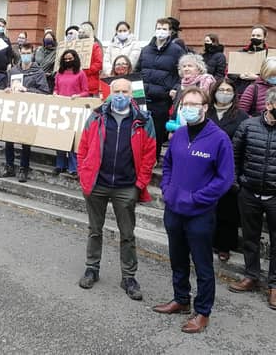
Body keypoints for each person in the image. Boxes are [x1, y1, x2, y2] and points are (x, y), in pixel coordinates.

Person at [153, 87, 234, 334]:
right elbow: (167, 165)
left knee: (202, 266)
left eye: (194, 104)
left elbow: (225, 179)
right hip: (174, 210)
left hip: (200, 213)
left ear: (205, 107)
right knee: (177, 259)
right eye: (185, 103)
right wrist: (167, 189)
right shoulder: (178, 135)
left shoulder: (219, 138)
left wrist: (197, 198)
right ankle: (181, 300)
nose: (188, 107)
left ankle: (203, 312)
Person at [77, 77, 157, 300]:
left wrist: (140, 183)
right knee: (95, 229)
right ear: (109, 93)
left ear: (132, 94)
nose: (121, 95)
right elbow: (82, 146)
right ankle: (92, 268)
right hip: (97, 184)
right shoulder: (96, 115)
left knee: (128, 234)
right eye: (117, 91)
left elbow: (150, 153)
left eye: (125, 91)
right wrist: (85, 174)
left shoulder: (143, 119)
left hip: (126, 186)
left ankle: (129, 276)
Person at [229, 87, 276, 310]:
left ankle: (274, 285)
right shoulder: (248, 126)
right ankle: (251, 275)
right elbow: (234, 156)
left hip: (274, 196)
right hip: (249, 192)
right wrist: (238, 183)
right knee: (250, 237)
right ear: (269, 105)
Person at [206, 78, 249, 262]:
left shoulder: (242, 117)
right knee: (205, 208)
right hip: (205, 165)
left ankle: (224, 246)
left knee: (227, 209)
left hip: (229, 167)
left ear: (234, 93)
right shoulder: (204, 112)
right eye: (221, 89)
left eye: (228, 89)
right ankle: (205, 241)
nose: (224, 92)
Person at [135, 18, 185, 162]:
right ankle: (139, 158)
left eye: (164, 28)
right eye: (159, 28)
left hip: (161, 99)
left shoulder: (177, 51)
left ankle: (152, 159)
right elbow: (137, 70)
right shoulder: (145, 50)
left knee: (156, 131)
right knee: (140, 130)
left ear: (170, 32)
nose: (161, 31)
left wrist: (175, 88)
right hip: (143, 96)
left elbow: (181, 73)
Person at [0, 43, 49, 182]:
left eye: (28, 53)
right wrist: (8, 90)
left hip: (29, 111)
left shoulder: (38, 72)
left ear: (32, 54)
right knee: (8, 137)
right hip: (14, 109)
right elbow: (8, 86)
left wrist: (27, 90)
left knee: (25, 140)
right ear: (20, 53)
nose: (26, 55)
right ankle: (9, 166)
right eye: (23, 53)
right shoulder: (13, 71)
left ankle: (23, 168)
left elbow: (45, 92)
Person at [53, 49, 89, 176]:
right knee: (60, 138)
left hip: (75, 110)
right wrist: (55, 93)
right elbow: (56, 89)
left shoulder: (81, 74)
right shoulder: (58, 73)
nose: (68, 61)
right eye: (66, 59)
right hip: (61, 109)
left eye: (70, 58)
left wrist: (78, 96)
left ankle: (73, 167)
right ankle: (60, 165)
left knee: (74, 140)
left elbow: (86, 91)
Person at [232, 25, 269, 95]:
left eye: (258, 36)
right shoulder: (241, 52)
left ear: (264, 38)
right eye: (253, 35)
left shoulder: (269, 55)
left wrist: (257, 77)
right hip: (241, 90)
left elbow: (272, 76)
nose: (255, 37)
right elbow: (229, 72)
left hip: (261, 92)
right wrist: (240, 76)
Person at [78, 22, 103, 96]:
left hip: (90, 82)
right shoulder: (76, 46)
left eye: (83, 32)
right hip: (77, 82)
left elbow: (98, 64)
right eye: (80, 32)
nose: (81, 34)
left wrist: (86, 71)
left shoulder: (95, 46)